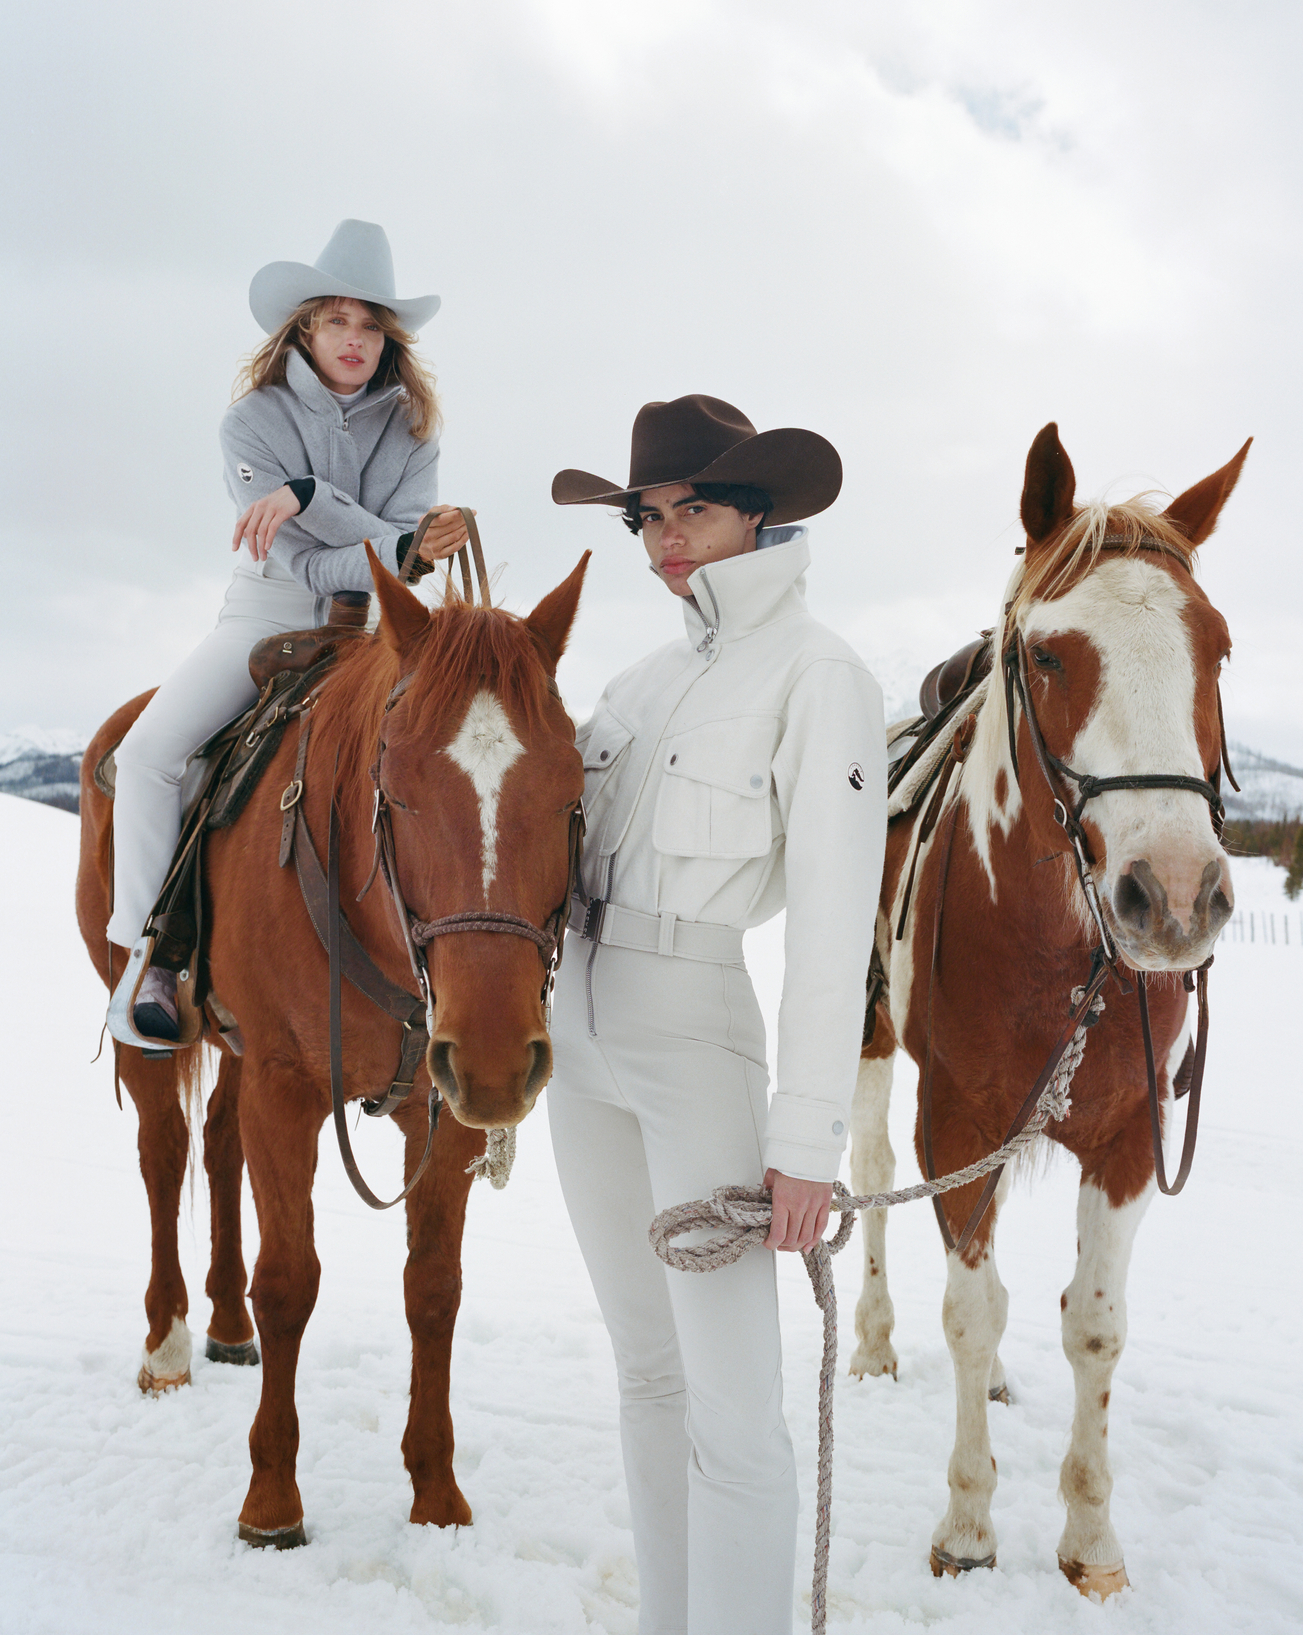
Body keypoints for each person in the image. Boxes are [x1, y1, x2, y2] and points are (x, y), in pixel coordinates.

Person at [546, 395, 888, 1635]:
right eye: (648, 516)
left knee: (734, 1415)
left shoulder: (820, 674)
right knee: (647, 1377)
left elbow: (834, 922)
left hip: (695, 1037)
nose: (665, 539)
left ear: (759, 509)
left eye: (692, 510)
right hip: (575, 1041)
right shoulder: (634, 683)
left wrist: (805, 1145)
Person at [107, 220, 467, 1044]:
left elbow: (401, 562)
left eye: (371, 325)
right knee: (150, 755)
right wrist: (373, 531)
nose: (354, 339)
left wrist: (313, 499)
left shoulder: (414, 427)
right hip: (265, 616)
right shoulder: (251, 424)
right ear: (303, 328)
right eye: (336, 320)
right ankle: (146, 955)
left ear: (389, 338)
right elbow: (317, 565)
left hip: (373, 630)